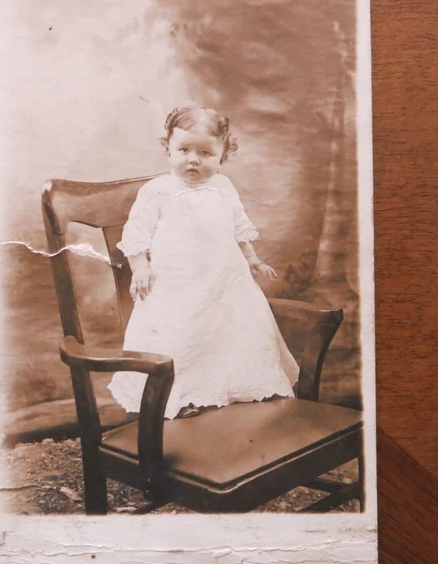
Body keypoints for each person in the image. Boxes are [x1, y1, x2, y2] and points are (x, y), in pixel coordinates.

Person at [108, 107, 299, 419]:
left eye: (206, 153)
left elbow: (239, 227)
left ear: (223, 156)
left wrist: (252, 259)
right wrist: (140, 267)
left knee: (231, 334)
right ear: (167, 149)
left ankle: (232, 389)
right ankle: (178, 398)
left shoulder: (224, 187)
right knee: (181, 339)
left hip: (224, 283)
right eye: (183, 150)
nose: (193, 160)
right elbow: (136, 235)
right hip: (176, 285)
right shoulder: (157, 191)